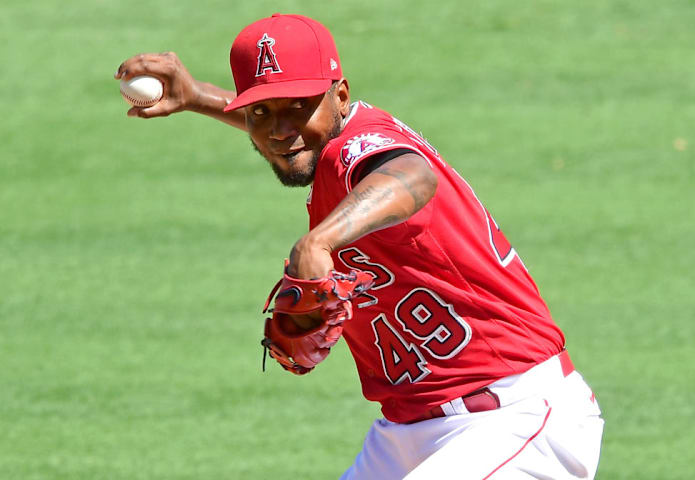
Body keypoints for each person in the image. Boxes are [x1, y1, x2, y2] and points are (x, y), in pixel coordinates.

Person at [116, 13, 604, 479]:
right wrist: (199, 96)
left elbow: (413, 174)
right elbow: (287, 132)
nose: (279, 129)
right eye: (260, 110)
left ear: (341, 95)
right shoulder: (324, 147)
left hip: (512, 415)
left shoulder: (360, 149)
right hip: (408, 431)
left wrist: (319, 241)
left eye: (299, 106)